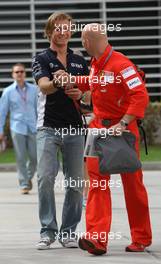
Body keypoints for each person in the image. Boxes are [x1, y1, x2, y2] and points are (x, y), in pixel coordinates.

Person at [58, 23, 152, 255]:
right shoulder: (96, 65)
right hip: (98, 130)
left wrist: (123, 122)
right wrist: (70, 78)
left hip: (123, 132)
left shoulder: (122, 65)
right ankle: (96, 239)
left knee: (133, 186)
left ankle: (141, 238)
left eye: (82, 41)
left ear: (88, 42)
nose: (82, 45)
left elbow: (140, 96)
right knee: (98, 184)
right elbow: (92, 83)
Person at [31, 12, 89, 250]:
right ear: (49, 32)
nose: (63, 32)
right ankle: (47, 231)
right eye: (58, 28)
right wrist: (58, 82)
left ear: (71, 32)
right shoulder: (41, 58)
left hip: (75, 129)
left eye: (67, 28)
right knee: (45, 179)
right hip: (48, 128)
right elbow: (44, 87)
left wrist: (80, 94)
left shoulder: (79, 61)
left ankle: (68, 233)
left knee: (75, 183)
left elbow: (88, 94)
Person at [0, 63, 37, 194]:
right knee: (21, 157)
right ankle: (24, 184)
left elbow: (39, 109)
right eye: (17, 72)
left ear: (24, 73)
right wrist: (0, 131)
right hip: (17, 128)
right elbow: (2, 113)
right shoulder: (8, 92)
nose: (19, 74)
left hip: (33, 127)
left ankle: (27, 177)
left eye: (21, 71)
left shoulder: (34, 89)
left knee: (35, 157)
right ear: (13, 74)